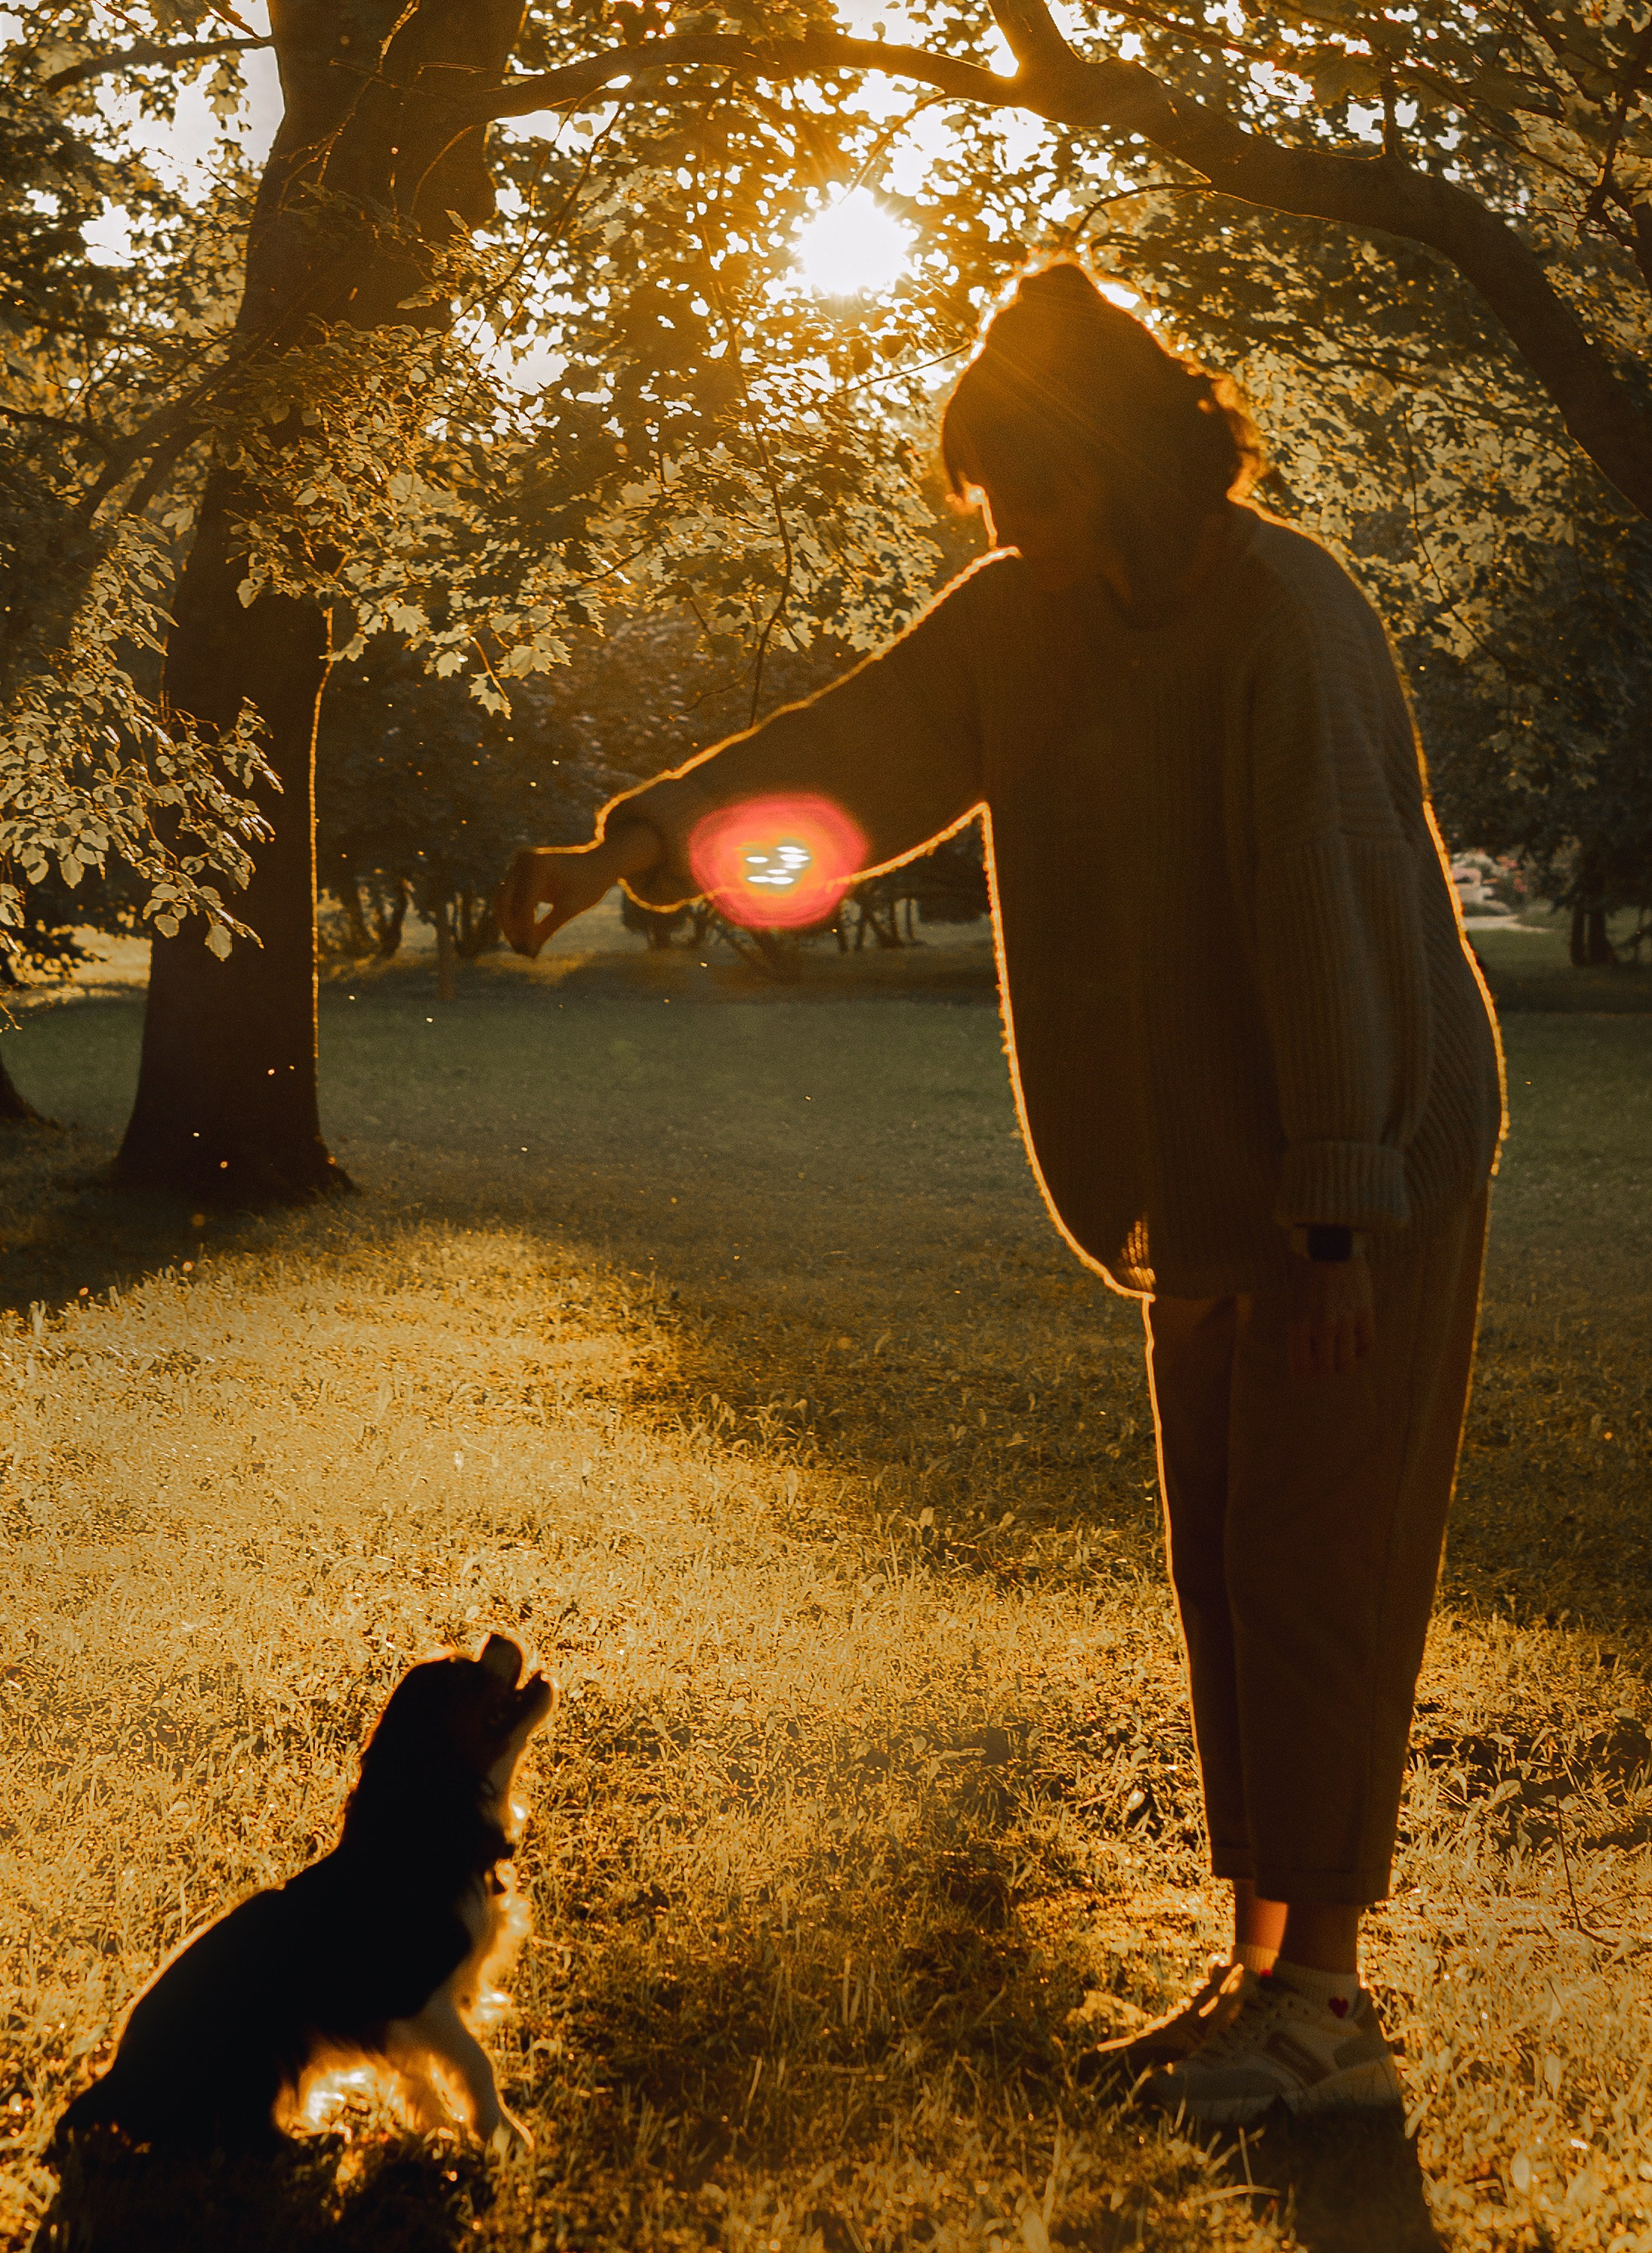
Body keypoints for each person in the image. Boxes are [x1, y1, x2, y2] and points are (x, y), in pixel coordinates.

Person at [496, 261, 1505, 2123]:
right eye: (986, 506)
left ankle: (1332, 2009)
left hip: (1352, 1167)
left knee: (1319, 1570)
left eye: (1026, 494)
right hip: (1203, 1184)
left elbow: (1331, 912)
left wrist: (1340, 1211)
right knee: (1228, 1569)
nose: (1007, 532)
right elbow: (856, 746)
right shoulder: (1032, 616)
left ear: (1117, 461)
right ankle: (1259, 1972)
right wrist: (623, 847)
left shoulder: (1280, 614)